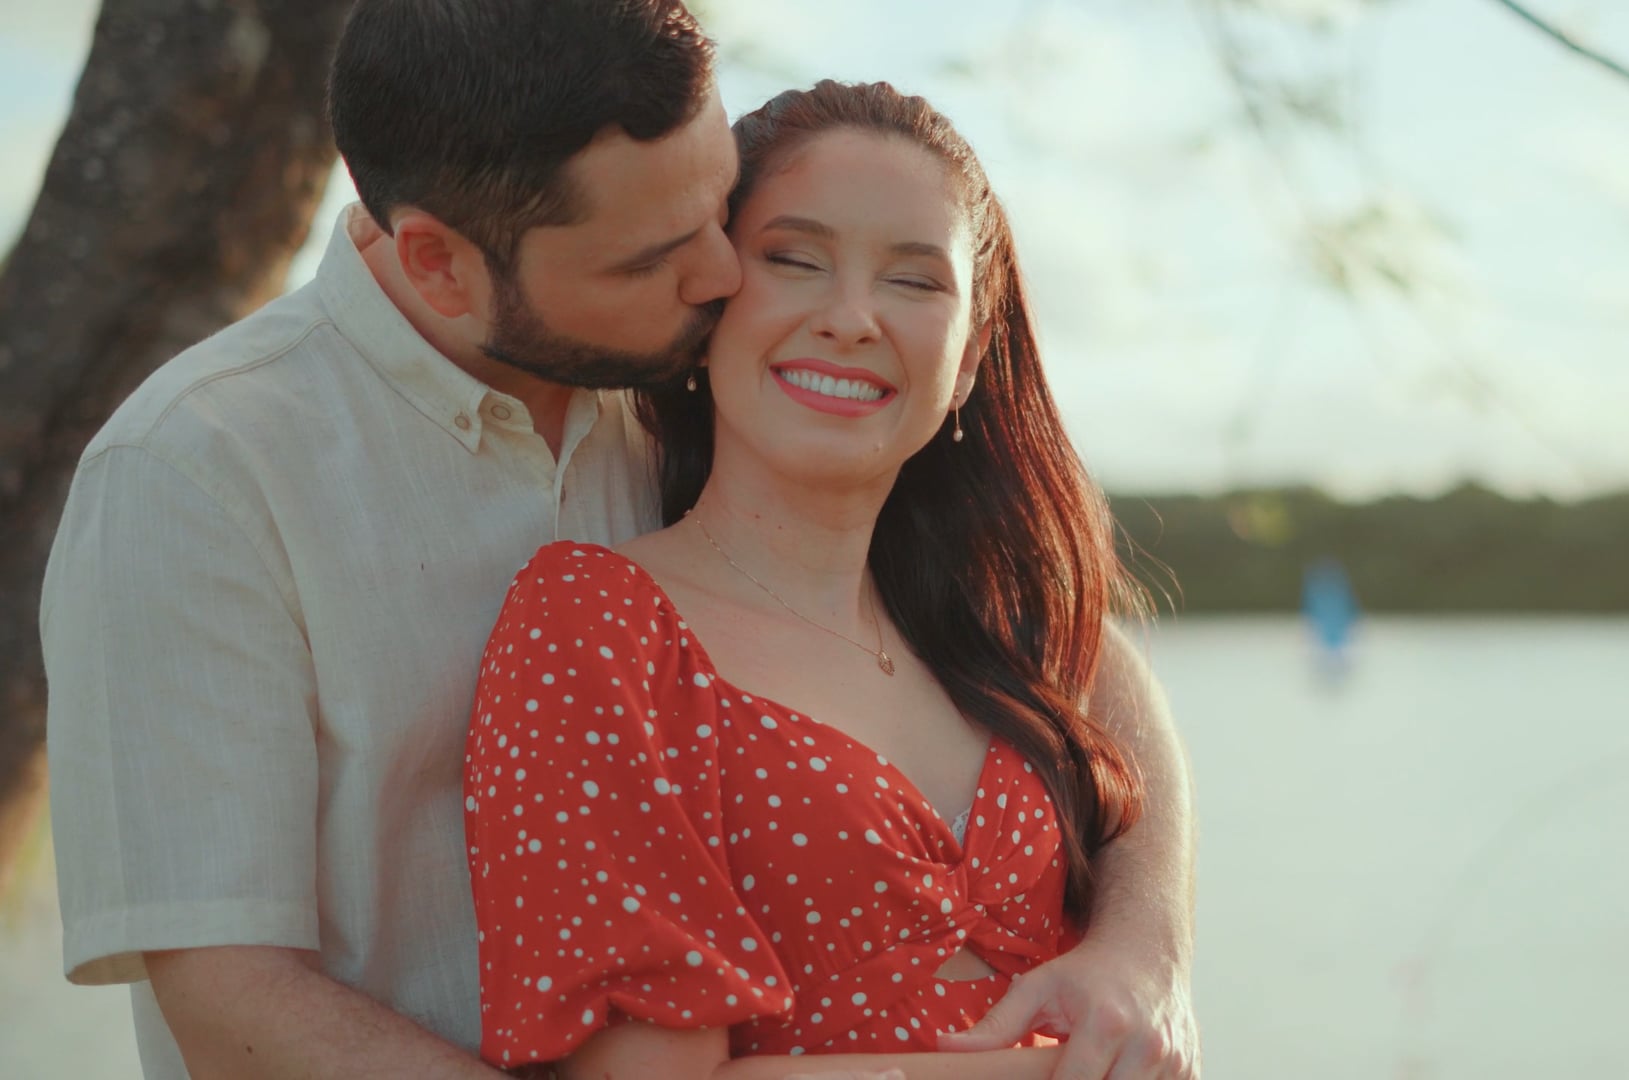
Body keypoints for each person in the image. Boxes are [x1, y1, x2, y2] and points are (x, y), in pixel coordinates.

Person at [38, 2, 1197, 1079]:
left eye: (718, 209)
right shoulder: (199, 472)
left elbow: (1068, 649)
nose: (720, 273)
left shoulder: (687, 379)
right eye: (654, 253)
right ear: (441, 263)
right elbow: (232, 1001)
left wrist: (1143, 945)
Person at [465, 79, 1173, 1080]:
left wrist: (1143, 949)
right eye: (795, 260)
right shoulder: (596, 623)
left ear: (970, 357)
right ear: (708, 303)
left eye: (914, 281)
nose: (850, 318)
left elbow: (1122, 694)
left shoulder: (984, 624)